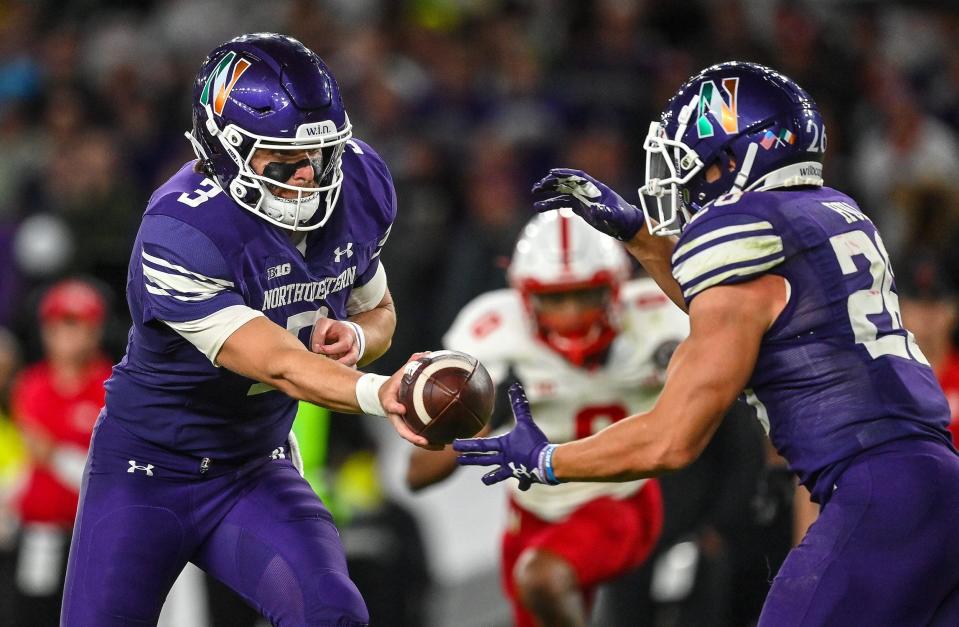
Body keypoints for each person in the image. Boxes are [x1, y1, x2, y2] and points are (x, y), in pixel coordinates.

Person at [455, 61, 959, 625]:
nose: (687, 183)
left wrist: (548, 460)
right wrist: (639, 237)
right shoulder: (827, 212)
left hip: (875, 495)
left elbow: (671, 440)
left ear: (740, 157)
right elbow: (740, 305)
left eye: (696, 166)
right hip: (937, 484)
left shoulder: (740, 237)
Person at [60, 33, 433, 627]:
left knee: (334, 616)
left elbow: (378, 308)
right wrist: (378, 391)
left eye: (320, 155)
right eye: (282, 160)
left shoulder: (357, 183)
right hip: (147, 472)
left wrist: (359, 340)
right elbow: (280, 361)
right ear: (223, 149)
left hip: (254, 468)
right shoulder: (182, 229)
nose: (309, 177)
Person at [408, 210, 684, 627]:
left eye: (585, 294)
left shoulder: (659, 318)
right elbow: (417, 473)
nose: (571, 313)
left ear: (615, 289)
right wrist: (481, 413)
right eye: (553, 298)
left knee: (541, 578)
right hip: (532, 513)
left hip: (622, 498)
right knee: (535, 588)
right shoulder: (494, 332)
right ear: (522, 296)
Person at [8, 279, 111, 627]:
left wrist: (53, 452)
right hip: (40, 533)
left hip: (90, 533)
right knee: (32, 613)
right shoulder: (33, 384)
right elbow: (30, 456)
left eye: (75, 323)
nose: (65, 334)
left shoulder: (112, 385)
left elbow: (104, 476)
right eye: (57, 324)